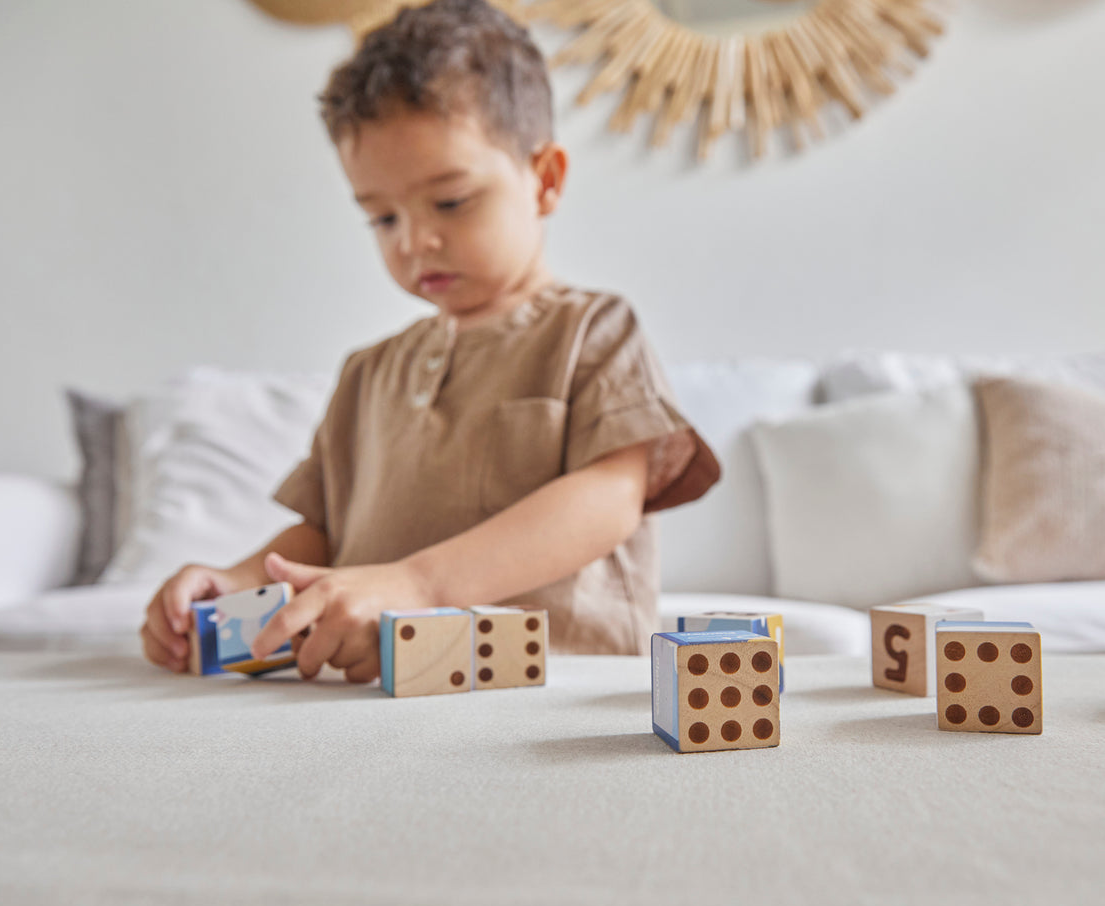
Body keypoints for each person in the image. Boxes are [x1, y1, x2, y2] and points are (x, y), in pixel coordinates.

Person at [139, 0, 719, 682]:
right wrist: (235, 583)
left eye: (450, 202)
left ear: (545, 179)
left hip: (559, 688)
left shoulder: (594, 331)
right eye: (382, 218)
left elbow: (608, 500)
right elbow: (322, 536)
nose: (414, 241)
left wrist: (417, 584)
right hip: (385, 694)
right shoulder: (366, 373)